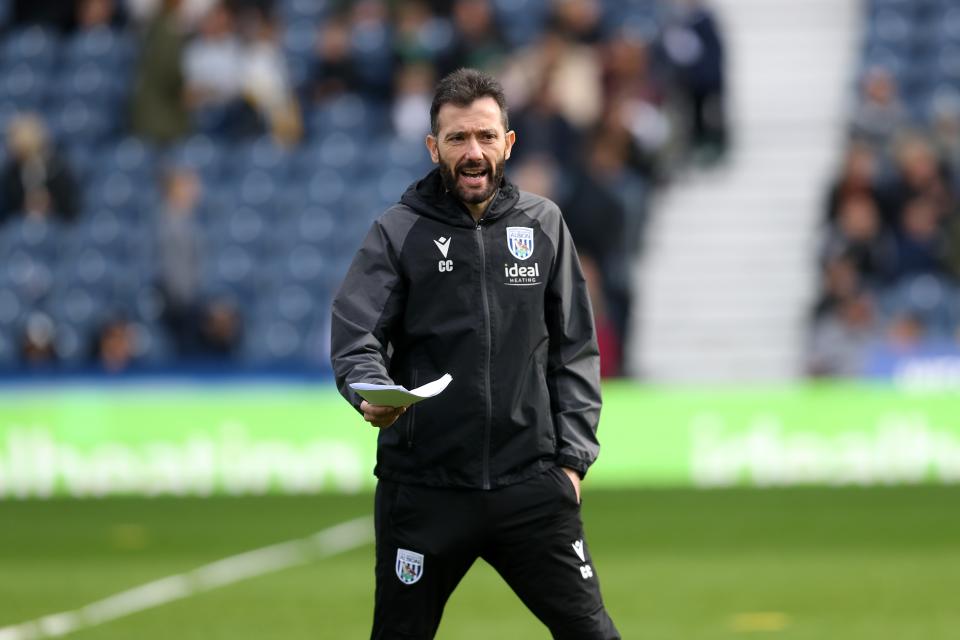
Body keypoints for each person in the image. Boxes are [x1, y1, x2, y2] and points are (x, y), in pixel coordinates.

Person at [330, 68, 619, 639]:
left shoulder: (543, 224)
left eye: (486, 136)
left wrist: (571, 464)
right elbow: (356, 335)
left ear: (508, 142)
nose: (473, 152)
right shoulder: (398, 231)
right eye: (458, 138)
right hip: (425, 490)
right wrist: (369, 393)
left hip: (530, 485)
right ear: (433, 147)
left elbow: (574, 350)